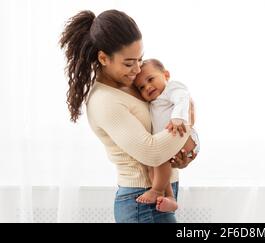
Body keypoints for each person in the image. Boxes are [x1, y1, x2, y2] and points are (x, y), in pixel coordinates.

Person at [59, 9, 197, 223]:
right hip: (139, 199)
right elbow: (151, 152)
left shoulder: (134, 83)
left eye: (140, 59)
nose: (137, 69)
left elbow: (159, 126)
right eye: (128, 62)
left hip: (161, 194)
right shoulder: (104, 100)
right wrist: (187, 119)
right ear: (103, 58)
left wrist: (179, 157)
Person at [133, 59, 200, 212]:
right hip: (172, 146)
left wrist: (177, 117)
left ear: (166, 75)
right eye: (141, 87)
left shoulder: (172, 88)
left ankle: (157, 190)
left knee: (159, 157)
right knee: (151, 164)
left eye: (150, 79)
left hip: (186, 138)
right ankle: (168, 196)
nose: (148, 87)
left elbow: (182, 98)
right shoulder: (153, 101)